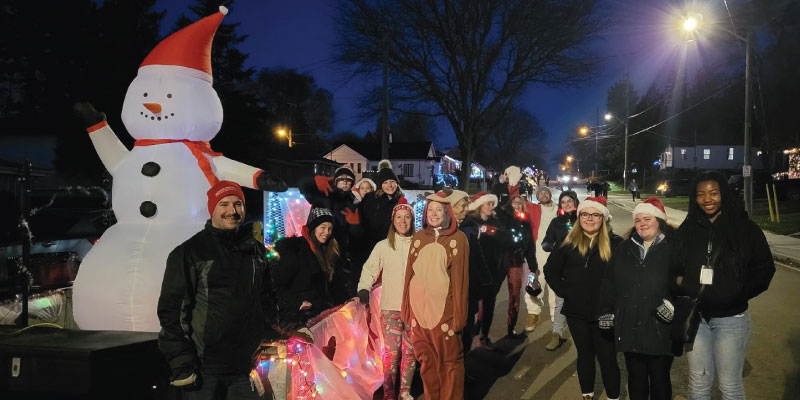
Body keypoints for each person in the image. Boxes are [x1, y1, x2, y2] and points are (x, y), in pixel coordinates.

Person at [157, 181, 276, 399]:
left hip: (245, 366)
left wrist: (283, 327)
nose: (232, 211)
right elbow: (172, 312)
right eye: (224, 204)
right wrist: (182, 362)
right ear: (212, 208)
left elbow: (266, 299)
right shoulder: (190, 252)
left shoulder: (255, 251)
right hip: (204, 369)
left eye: (238, 204)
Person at [672, 171, 775, 400]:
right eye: (701, 194)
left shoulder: (745, 229)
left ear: (724, 194)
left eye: (714, 193)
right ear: (694, 198)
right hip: (696, 318)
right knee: (698, 383)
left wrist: (738, 293)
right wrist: (682, 285)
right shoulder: (688, 230)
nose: (707, 199)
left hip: (731, 319)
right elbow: (674, 266)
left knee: (729, 385)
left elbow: (765, 268)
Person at [599, 197, 678, 400]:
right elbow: (609, 282)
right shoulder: (625, 248)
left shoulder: (674, 248)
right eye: (638, 220)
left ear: (659, 220)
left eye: (647, 219)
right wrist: (607, 309)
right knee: (636, 378)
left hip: (660, 327)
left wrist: (673, 304)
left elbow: (687, 283)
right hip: (630, 326)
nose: (642, 224)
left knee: (659, 378)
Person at [544, 196, 622, 400]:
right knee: (585, 356)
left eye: (595, 215)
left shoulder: (616, 244)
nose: (589, 219)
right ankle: (587, 394)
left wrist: (615, 303)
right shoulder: (567, 243)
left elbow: (626, 276)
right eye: (585, 214)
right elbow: (550, 270)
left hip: (606, 313)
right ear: (579, 217)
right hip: (576, 313)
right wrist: (566, 292)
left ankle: (613, 396)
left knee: (607, 357)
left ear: (603, 218)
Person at [401, 191, 469, 400]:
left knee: (449, 362)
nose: (434, 214)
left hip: (444, 314)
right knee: (427, 362)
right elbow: (409, 273)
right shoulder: (420, 238)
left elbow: (460, 281)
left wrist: (459, 316)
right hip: (419, 314)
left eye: (439, 209)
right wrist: (406, 309)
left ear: (447, 211)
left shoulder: (458, 239)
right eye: (430, 209)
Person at [357, 198, 417, 400]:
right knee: (392, 355)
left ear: (412, 220)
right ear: (393, 221)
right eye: (399, 217)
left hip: (414, 309)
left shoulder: (419, 245)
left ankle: (405, 392)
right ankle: (389, 394)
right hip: (391, 309)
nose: (402, 221)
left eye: (407, 217)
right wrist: (364, 287)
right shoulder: (383, 246)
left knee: (410, 353)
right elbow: (370, 268)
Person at [272, 207, 341, 336]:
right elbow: (277, 285)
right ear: (313, 227)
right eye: (323, 227)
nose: (327, 232)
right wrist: (297, 303)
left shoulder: (327, 250)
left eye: (330, 228)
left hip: (319, 316)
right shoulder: (296, 250)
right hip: (297, 318)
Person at [300, 166, 360, 297]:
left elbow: (354, 234)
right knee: (314, 277)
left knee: (334, 282)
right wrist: (313, 180)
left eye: (348, 180)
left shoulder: (352, 203)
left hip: (338, 247)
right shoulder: (324, 193)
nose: (345, 182)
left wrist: (355, 225)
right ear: (336, 181)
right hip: (317, 242)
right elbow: (303, 186)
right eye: (341, 179)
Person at [540, 189, 579, 350]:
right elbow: (547, 242)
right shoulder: (556, 222)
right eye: (563, 202)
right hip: (562, 267)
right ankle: (557, 334)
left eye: (570, 201)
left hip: (580, 266)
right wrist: (551, 245)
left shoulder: (583, 219)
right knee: (560, 302)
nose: (567, 204)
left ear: (575, 203)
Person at [522, 186, 559, 333]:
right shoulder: (533, 209)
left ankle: (555, 317)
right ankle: (533, 313)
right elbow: (514, 201)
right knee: (533, 284)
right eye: (540, 193)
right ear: (537, 197)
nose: (543, 194)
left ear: (550, 194)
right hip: (536, 255)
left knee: (555, 287)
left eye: (546, 192)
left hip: (555, 255)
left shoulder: (559, 209)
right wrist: (512, 183)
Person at [356, 160, 404, 269]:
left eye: (392, 181)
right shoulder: (371, 198)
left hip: (391, 245)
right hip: (370, 244)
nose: (390, 185)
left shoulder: (400, 201)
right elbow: (361, 218)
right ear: (380, 185)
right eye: (385, 182)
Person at [501, 194, 537, 338]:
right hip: (500, 259)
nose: (517, 205)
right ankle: (480, 325)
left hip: (516, 259)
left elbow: (529, 246)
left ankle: (511, 325)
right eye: (514, 203)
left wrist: (533, 267)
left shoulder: (525, 222)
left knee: (514, 294)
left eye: (519, 203)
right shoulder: (504, 218)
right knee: (489, 294)